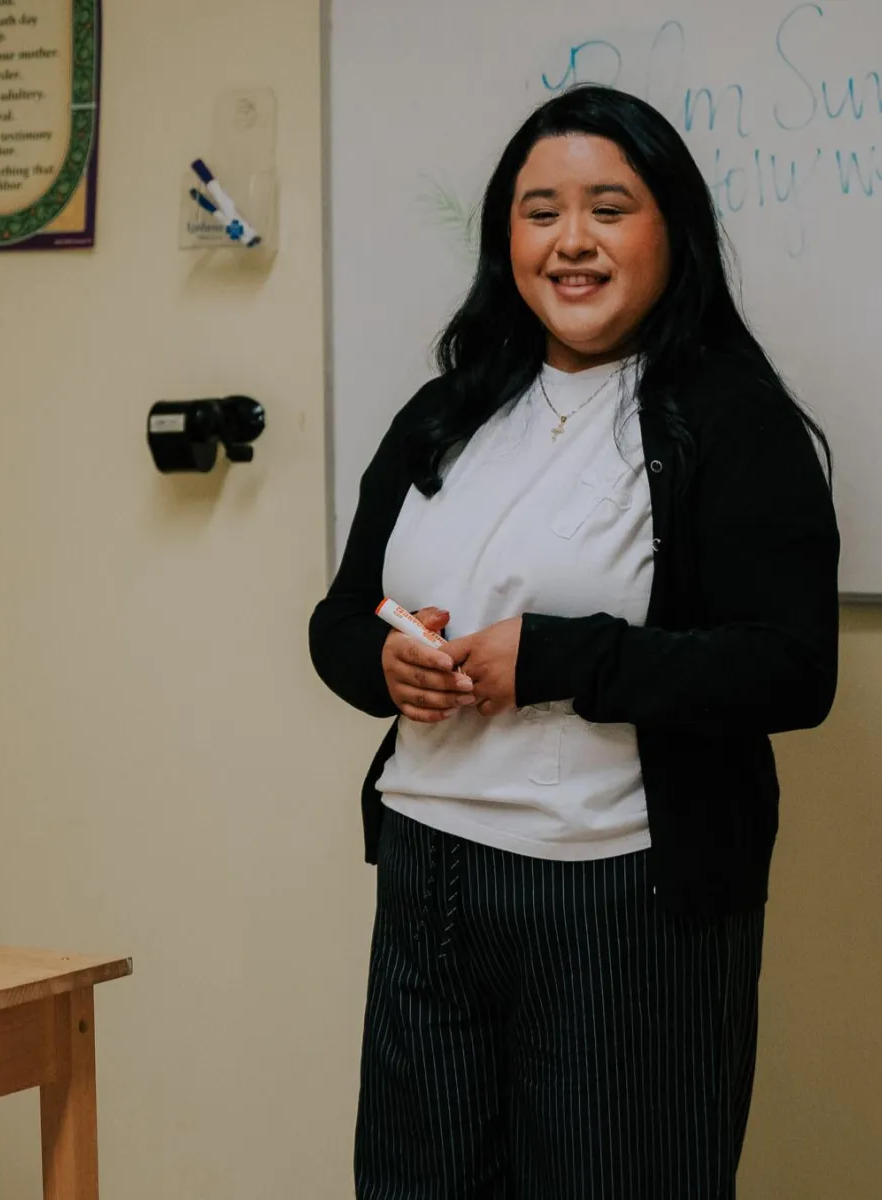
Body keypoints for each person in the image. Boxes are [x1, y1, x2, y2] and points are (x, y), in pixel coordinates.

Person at [309, 84, 839, 1199]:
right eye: (540, 210)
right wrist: (384, 663)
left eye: (610, 206)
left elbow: (791, 666)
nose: (573, 241)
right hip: (425, 876)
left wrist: (555, 660)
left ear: (673, 231)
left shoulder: (731, 418)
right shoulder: (446, 412)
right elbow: (339, 619)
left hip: (618, 899)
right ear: (507, 237)